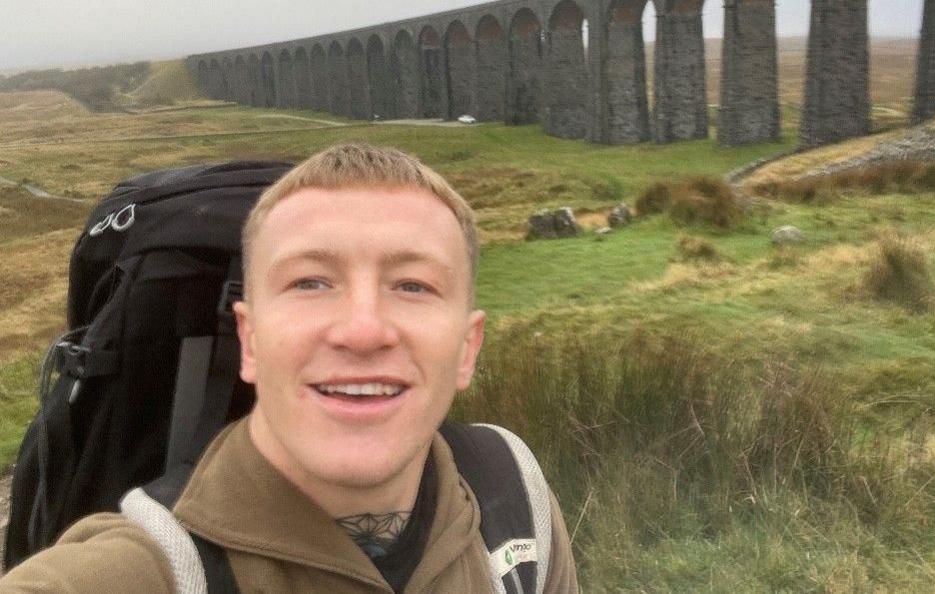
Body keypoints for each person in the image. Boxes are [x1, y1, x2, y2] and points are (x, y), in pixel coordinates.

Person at [0, 143, 579, 593]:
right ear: (249, 340)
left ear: (467, 348)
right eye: (310, 282)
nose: (363, 330)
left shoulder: (516, 496)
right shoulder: (133, 573)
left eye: (412, 284)